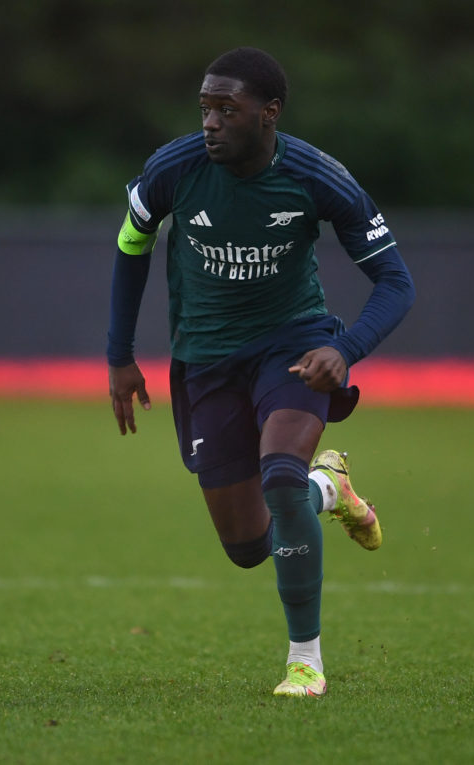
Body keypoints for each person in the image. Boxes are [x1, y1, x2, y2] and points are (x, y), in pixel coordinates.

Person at [107, 47, 415, 697]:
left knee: (280, 474)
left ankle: (305, 661)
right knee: (247, 546)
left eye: (227, 109)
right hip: (207, 361)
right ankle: (330, 489)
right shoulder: (174, 170)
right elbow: (131, 246)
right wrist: (118, 354)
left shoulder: (315, 177)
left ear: (268, 114)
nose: (211, 122)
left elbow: (395, 281)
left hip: (293, 347)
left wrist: (348, 347)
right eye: (204, 108)